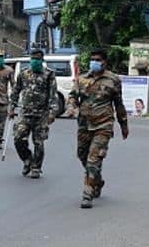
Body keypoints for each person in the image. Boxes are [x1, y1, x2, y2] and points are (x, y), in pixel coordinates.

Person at [67, 48, 129, 209]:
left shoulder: (113, 80)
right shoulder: (82, 79)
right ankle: (97, 181)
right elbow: (73, 96)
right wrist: (72, 106)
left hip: (103, 125)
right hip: (84, 125)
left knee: (93, 160)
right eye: (92, 59)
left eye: (98, 59)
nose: (94, 62)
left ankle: (87, 194)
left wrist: (124, 125)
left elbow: (119, 104)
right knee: (82, 155)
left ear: (104, 62)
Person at [8, 49, 58, 179]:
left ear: (42, 60)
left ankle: (36, 167)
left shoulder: (49, 75)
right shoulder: (23, 74)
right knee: (18, 138)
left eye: (37, 59)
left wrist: (53, 112)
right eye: (33, 58)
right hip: (25, 113)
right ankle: (27, 159)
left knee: (39, 142)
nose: (35, 61)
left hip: (42, 114)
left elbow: (53, 94)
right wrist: (11, 106)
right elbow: (15, 91)